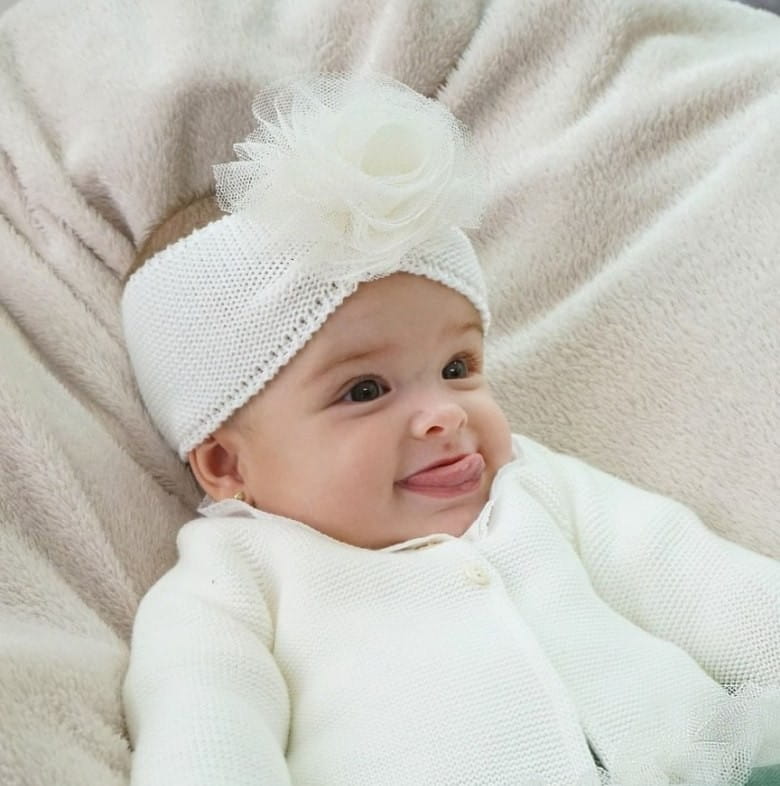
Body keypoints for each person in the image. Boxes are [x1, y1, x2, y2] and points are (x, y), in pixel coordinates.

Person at [121, 73, 780, 786]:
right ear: (226, 465)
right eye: (365, 390)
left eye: (457, 366)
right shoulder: (233, 579)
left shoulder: (534, 486)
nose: (446, 412)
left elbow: (696, 578)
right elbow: (205, 725)